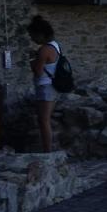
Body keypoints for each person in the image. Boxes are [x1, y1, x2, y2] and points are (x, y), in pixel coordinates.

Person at [28, 16, 62, 153]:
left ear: (41, 34)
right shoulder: (56, 45)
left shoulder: (44, 50)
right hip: (52, 86)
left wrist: (32, 59)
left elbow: (38, 71)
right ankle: (47, 149)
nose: (32, 39)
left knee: (44, 120)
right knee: (45, 120)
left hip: (45, 87)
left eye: (33, 36)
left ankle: (47, 151)